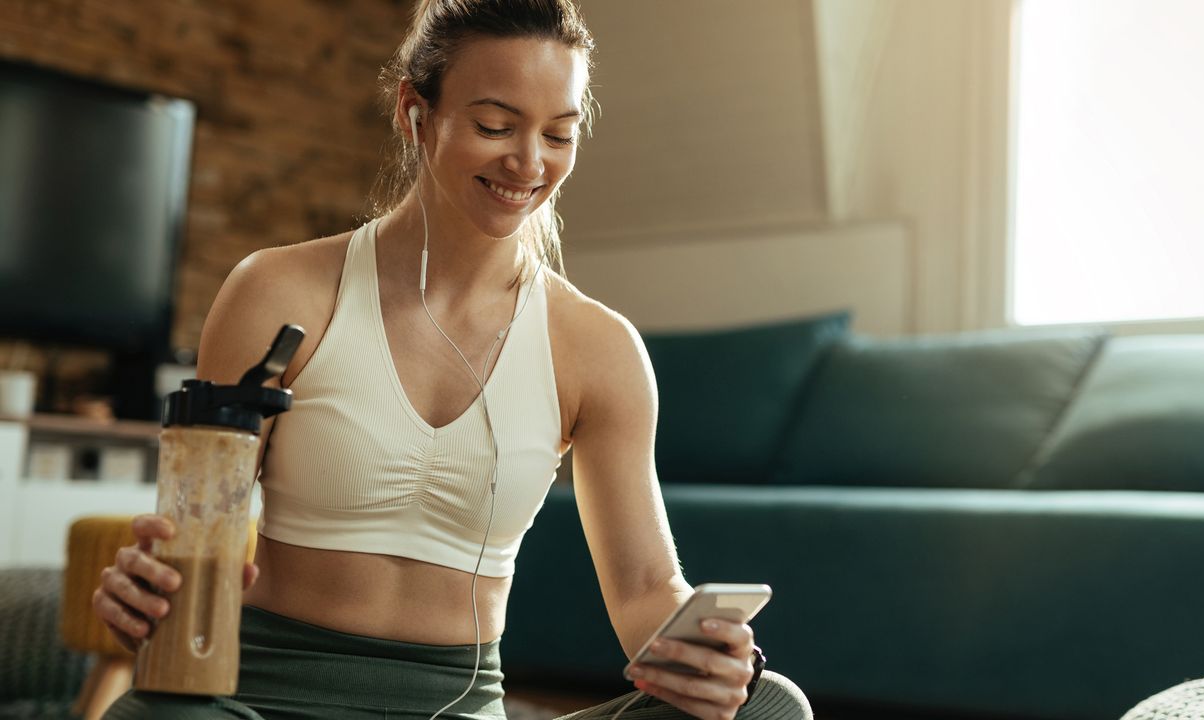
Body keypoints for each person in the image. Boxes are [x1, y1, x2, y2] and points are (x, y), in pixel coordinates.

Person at [93, 1, 812, 718]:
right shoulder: (279, 294)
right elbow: (196, 536)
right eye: (495, 126)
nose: (528, 163)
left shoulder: (598, 348)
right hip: (262, 701)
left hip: (458, 707)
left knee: (768, 707)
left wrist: (713, 657)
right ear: (416, 111)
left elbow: (645, 589)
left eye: (557, 135)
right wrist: (147, 585)